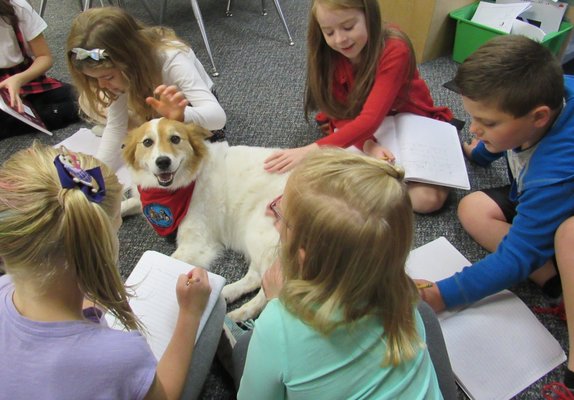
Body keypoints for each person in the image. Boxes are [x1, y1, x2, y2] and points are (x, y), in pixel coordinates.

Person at [0, 142, 226, 400]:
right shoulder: (120, 354)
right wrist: (189, 313)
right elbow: (164, 396)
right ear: (100, 245)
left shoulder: (6, 285)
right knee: (214, 305)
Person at [417, 35, 574, 388]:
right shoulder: (551, 90)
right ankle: (553, 278)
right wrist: (483, 150)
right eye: (473, 117)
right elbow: (512, 140)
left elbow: (516, 257)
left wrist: (440, 295)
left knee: (566, 237)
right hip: (538, 193)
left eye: (486, 123)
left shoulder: (554, 172)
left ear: (538, 117)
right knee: (472, 208)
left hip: (560, 204)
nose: (473, 128)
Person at [231, 148, 452, 399]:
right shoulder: (403, 293)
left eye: (281, 212)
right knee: (424, 314)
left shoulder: (278, 325)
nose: (272, 214)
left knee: (244, 348)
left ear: (305, 255)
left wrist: (276, 303)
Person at [263, 0, 453, 214]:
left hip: (409, 121)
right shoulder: (329, 55)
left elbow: (370, 119)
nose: (340, 39)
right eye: (329, 32)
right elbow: (339, 112)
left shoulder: (394, 48)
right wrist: (368, 145)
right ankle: (377, 179)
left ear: (369, 17)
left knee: (426, 201)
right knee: (330, 180)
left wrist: (310, 151)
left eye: (348, 27)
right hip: (362, 127)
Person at [66, 7, 226, 172]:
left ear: (130, 62)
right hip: (149, 105)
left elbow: (218, 119)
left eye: (107, 77)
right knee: (86, 100)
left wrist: (181, 115)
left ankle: (141, 131)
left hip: (189, 112)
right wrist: (97, 173)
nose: (101, 84)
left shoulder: (172, 59)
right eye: (94, 78)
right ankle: (141, 130)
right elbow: (116, 126)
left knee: (194, 162)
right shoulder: (122, 73)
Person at [0, 0, 79, 137]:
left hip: (28, 79)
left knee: (80, 94)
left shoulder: (18, 7)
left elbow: (44, 57)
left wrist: (19, 79)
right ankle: (77, 111)